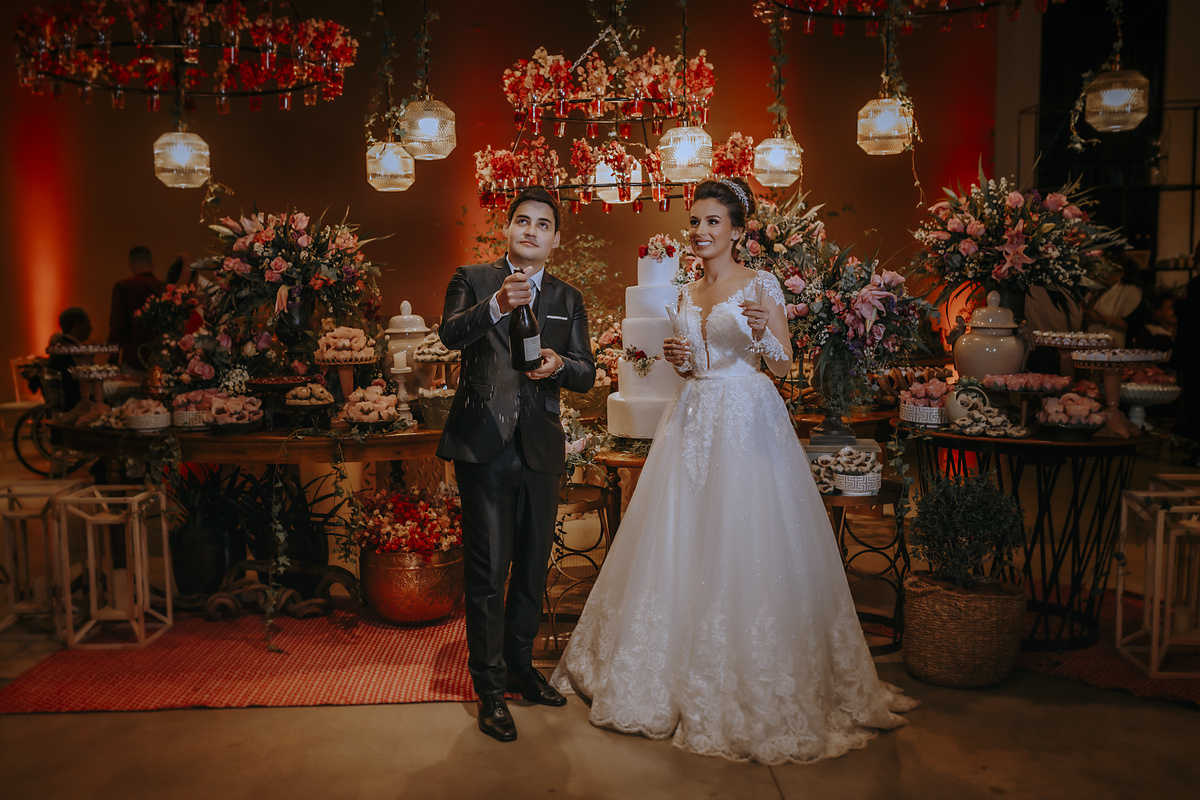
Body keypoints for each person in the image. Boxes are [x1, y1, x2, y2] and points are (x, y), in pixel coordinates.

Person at [551, 178, 917, 765]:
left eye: (713, 222)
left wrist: (762, 326)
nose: (699, 231)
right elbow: (696, 364)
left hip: (748, 416)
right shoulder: (683, 293)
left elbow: (784, 361)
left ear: (738, 230)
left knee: (748, 533)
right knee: (681, 536)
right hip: (693, 416)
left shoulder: (761, 283)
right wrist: (681, 358)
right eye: (694, 221)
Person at [436, 187, 595, 743]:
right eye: (521, 221)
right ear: (507, 229)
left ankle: (523, 669)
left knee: (530, 566)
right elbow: (449, 333)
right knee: (488, 571)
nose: (531, 230)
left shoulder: (568, 297)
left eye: (542, 224)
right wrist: (498, 306)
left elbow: (586, 371)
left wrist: (557, 364)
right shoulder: (473, 279)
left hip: (541, 447)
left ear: (555, 238)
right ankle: (489, 688)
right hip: (482, 444)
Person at [107, 245, 165, 374]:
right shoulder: (164, 288)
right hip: (161, 357)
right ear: (153, 262)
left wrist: (112, 356)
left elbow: (118, 325)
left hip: (133, 357)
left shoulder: (123, 287)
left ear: (130, 264)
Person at [1084, 255, 1143, 347]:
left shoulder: (1130, 292)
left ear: (1120, 274)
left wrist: (1099, 318)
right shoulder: (1100, 289)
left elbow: (1129, 325)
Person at [47, 306, 92, 408]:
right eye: (88, 324)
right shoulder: (70, 352)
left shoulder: (58, 348)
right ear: (77, 327)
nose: (91, 328)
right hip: (74, 404)